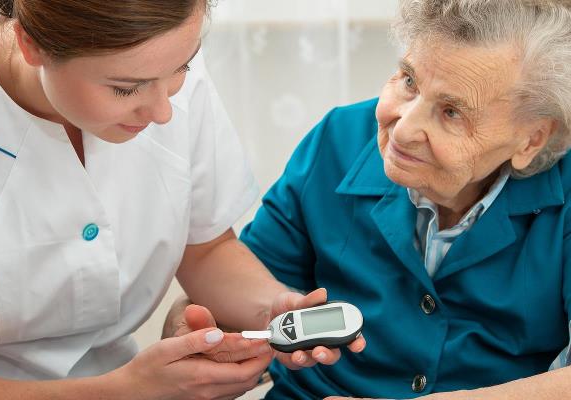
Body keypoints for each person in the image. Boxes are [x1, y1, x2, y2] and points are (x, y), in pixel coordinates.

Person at [0, 0, 365, 398]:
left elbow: (205, 249)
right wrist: (124, 391)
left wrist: (271, 307)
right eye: (125, 88)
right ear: (31, 44)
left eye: (184, 67)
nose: (162, 112)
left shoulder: (157, 63)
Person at [233, 0, 571, 398]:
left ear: (532, 138)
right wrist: (200, 326)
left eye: (451, 112)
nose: (404, 129)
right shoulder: (338, 139)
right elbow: (247, 292)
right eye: (409, 81)